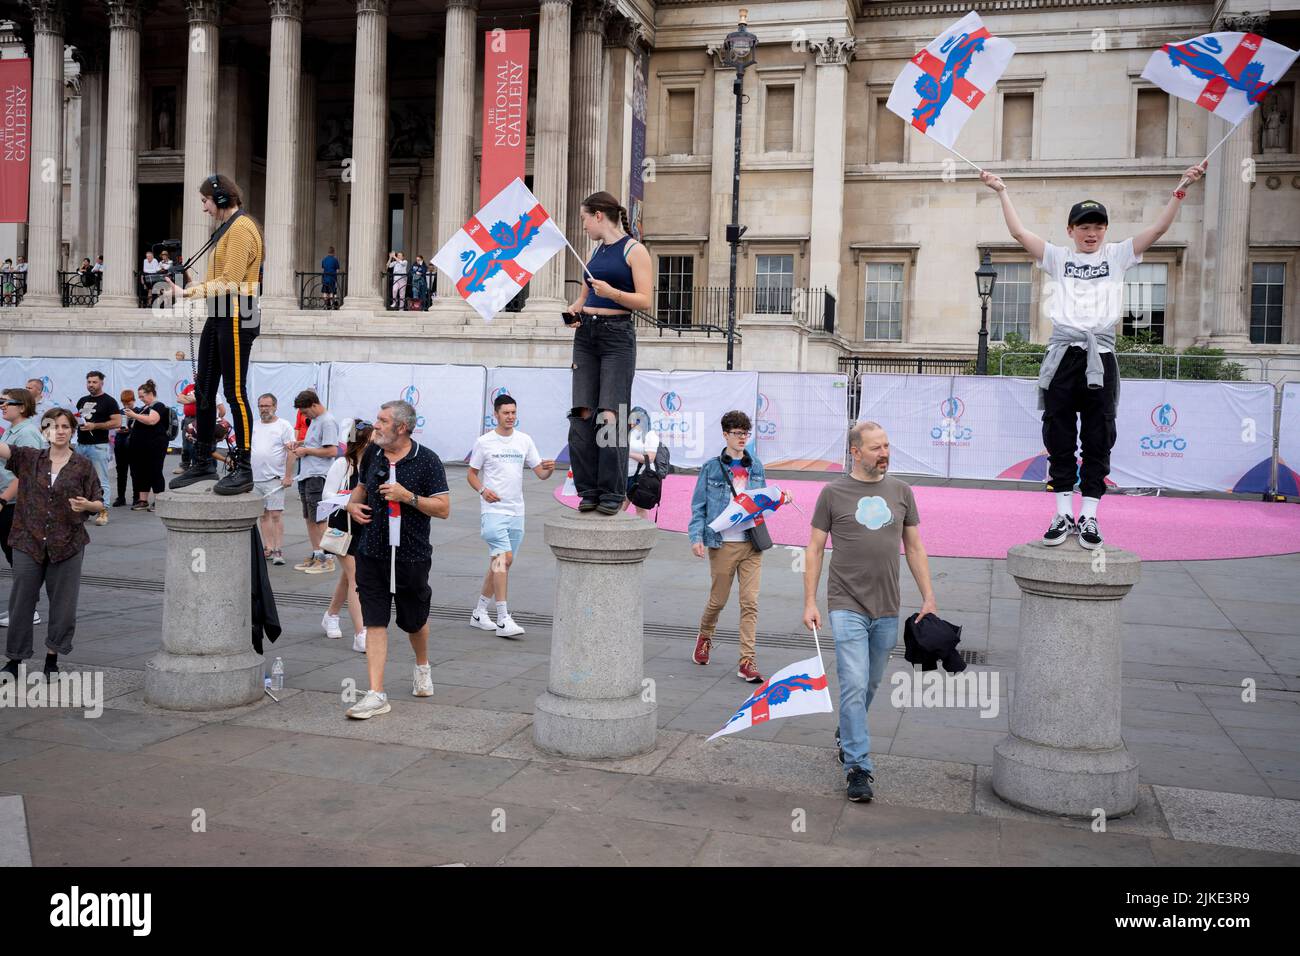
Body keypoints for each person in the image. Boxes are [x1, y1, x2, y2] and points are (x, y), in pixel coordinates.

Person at [981, 161, 1207, 549]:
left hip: (1100, 356)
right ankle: (1061, 512)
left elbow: (1158, 230)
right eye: (1084, 226)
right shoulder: (1057, 257)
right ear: (1071, 230)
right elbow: (1018, 232)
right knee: (1059, 433)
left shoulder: (1118, 255)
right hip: (1063, 355)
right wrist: (1002, 190)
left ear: (1106, 231)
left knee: (1099, 435)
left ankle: (1089, 517)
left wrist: (1181, 188)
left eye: (1098, 226)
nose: (1091, 232)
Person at [803, 421, 938, 804]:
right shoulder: (832, 493)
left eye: (887, 446)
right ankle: (858, 767)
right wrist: (810, 601)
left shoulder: (901, 492)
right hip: (846, 603)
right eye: (877, 447)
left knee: (871, 683)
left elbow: (914, 548)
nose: (885, 453)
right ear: (855, 451)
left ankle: (848, 731)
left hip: (887, 605)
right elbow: (814, 548)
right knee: (853, 681)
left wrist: (929, 596)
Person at [342, 400, 449, 719]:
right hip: (372, 550)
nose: (375, 425)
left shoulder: (427, 460)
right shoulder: (372, 453)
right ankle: (376, 693)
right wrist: (351, 505)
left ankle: (422, 665)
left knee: (413, 621)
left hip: (411, 554)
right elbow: (361, 487)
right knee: (374, 620)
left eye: (382, 420)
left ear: (401, 428)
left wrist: (408, 497)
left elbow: (443, 508)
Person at [165, 172, 265, 496]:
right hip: (222, 312)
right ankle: (204, 460)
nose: (204, 208)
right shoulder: (228, 229)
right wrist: (196, 286)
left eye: (205, 201)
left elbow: (232, 282)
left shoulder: (241, 229)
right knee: (205, 389)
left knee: (235, 393)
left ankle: (244, 468)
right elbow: (222, 279)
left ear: (220, 199)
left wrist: (186, 294)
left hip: (237, 315)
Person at [0, 408, 106, 679]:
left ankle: (52, 658)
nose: (59, 431)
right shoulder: (30, 458)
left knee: (63, 604)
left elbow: (98, 503)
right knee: (21, 602)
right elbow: (4, 450)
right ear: (44, 431)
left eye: (64, 426)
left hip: (67, 543)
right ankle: (15, 659)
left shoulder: (82, 465)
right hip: (28, 539)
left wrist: (87, 504)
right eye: (53, 426)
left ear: (72, 430)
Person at [565, 191, 652, 515]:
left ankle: (612, 491)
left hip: (617, 338)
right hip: (587, 335)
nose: (584, 225)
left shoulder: (635, 250)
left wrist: (613, 292)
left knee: (610, 416)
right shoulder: (595, 250)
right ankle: (587, 489)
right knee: (582, 414)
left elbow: (645, 300)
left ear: (599, 215)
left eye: (585, 218)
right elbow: (583, 297)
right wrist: (573, 312)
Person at [688, 410, 767, 684]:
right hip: (722, 544)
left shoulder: (755, 465)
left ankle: (747, 660)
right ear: (725, 434)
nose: (742, 438)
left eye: (746, 433)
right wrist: (696, 537)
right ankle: (705, 636)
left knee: (750, 603)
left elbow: (762, 501)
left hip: (751, 543)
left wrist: (779, 498)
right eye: (737, 433)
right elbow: (699, 506)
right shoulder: (712, 467)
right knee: (718, 601)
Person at [466, 394, 555, 638]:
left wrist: (548, 470)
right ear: (495, 414)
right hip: (493, 511)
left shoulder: (524, 440)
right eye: (506, 413)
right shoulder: (484, 442)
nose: (511, 417)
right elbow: (472, 474)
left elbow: (539, 473)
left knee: (501, 563)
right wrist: (484, 491)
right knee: (502, 559)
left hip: (517, 511)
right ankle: (503, 618)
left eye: (513, 412)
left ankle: (479, 612)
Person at [322, 420, 373, 652]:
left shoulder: (375, 464)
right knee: (357, 577)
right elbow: (327, 493)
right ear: (360, 441)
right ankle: (361, 632)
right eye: (370, 440)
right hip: (343, 526)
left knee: (349, 575)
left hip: (365, 525)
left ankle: (331, 615)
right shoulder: (343, 464)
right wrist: (348, 504)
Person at [0, 388, 46, 629]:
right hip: (9, 502)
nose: (2, 406)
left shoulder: (26, 433)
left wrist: (2, 499)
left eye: (6, 402)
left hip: (14, 504)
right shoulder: (13, 429)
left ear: (23, 406)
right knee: (14, 557)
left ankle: (28, 610)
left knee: (19, 558)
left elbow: (24, 474)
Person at [290, 389, 340, 574]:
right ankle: (317, 554)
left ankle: (328, 558)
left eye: (304, 412)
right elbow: (317, 444)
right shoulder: (317, 420)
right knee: (310, 517)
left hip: (318, 476)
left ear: (314, 405)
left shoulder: (327, 421)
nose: (303, 416)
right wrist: (301, 444)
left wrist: (306, 451)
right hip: (308, 474)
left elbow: (332, 451)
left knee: (320, 519)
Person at [251, 393, 295, 566]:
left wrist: (288, 476)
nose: (264, 409)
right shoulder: (254, 426)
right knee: (262, 515)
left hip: (275, 478)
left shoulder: (283, 425)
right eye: (261, 406)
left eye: (267, 406)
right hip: (255, 478)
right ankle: (267, 547)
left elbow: (291, 452)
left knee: (276, 514)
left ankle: (278, 550)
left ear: (275, 406)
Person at [74, 370, 120, 527]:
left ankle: (103, 510)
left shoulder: (109, 401)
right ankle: (84, 509)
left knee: (101, 479)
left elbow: (117, 422)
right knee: (79, 479)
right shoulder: (82, 400)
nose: (91, 385)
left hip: (98, 446)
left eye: (94, 382)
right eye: (89, 382)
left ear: (101, 383)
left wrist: (96, 425)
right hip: (81, 445)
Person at [123, 380, 169, 511]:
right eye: (140, 397)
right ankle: (143, 500)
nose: (141, 399)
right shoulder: (144, 408)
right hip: (140, 447)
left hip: (155, 445)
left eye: (142, 396)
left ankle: (159, 500)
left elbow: (152, 420)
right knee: (141, 472)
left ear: (150, 394)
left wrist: (133, 415)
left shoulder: (158, 406)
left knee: (155, 471)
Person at [626, 405, 659, 520]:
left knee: (640, 509)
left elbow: (650, 458)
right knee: (619, 508)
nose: (632, 423)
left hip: (642, 476)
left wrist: (627, 454)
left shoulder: (651, 435)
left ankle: (643, 535)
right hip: (625, 475)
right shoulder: (628, 434)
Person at [111, 387, 136, 507]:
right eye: (124, 403)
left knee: (135, 471)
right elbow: (114, 427)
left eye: (129, 403)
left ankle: (137, 497)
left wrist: (131, 427)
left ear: (134, 400)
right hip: (120, 443)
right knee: (121, 471)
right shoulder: (119, 412)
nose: (126, 405)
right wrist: (117, 429)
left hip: (133, 443)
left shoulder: (138, 411)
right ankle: (121, 497)